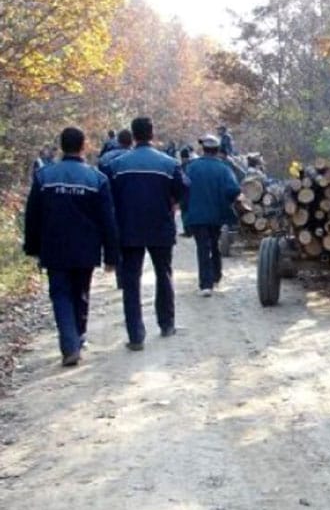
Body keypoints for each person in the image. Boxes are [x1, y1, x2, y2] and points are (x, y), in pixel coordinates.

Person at [23, 127, 119, 366]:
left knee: (60, 295)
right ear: (83, 146)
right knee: (81, 292)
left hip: (54, 246)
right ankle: (76, 338)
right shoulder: (97, 179)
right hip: (86, 248)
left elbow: (32, 215)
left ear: (61, 146)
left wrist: (32, 246)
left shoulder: (45, 176)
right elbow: (108, 220)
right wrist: (111, 255)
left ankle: (70, 343)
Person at [108, 116, 187, 350]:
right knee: (164, 274)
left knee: (131, 280)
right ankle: (166, 324)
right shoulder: (169, 164)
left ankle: (135, 335)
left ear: (133, 136)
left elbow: (110, 198)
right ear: (152, 134)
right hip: (160, 227)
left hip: (129, 228)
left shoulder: (117, 166)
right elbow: (183, 189)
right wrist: (170, 202)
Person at [183, 134, 240, 296]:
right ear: (216, 150)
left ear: (204, 149)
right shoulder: (224, 169)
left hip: (196, 216)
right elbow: (233, 190)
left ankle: (205, 284)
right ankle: (216, 275)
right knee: (214, 244)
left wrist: (186, 212)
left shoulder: (192, 167)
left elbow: (183, 190)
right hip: (217, 216)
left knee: (202, 247)